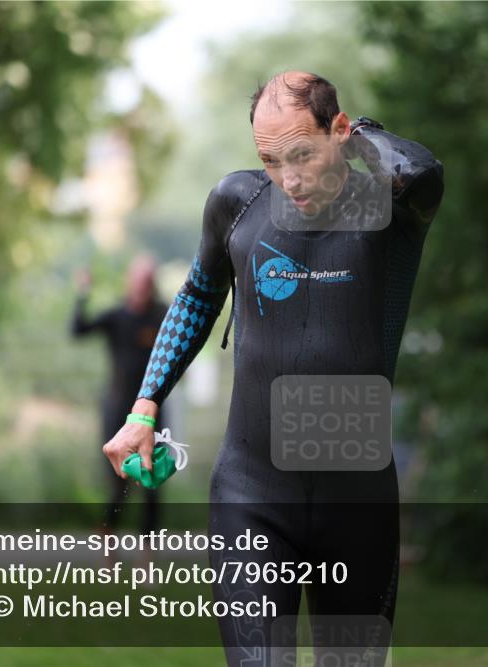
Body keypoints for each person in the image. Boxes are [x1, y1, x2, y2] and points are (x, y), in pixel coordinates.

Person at [102, 71, 443, 665]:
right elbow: (197, 298)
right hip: (251, 493)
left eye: (302, 154)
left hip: (357, 502)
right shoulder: (238, 204)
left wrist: (357, 135)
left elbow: (419, 170)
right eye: (270, 159)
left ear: (339, 130)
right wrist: (143, 407)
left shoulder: (391, 206)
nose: (289, 179)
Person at [72, 256, 167, 537]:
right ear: (129, 282)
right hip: (117, 409)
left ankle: (147, 552)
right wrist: (82, 292)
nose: (142, 287)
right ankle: (107, 536)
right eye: (139, 281)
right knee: (118, 483)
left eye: (147, 282)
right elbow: (78, 329)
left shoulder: (162, 316)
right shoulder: (116, 317)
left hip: (152, 411)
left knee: (152, 482)